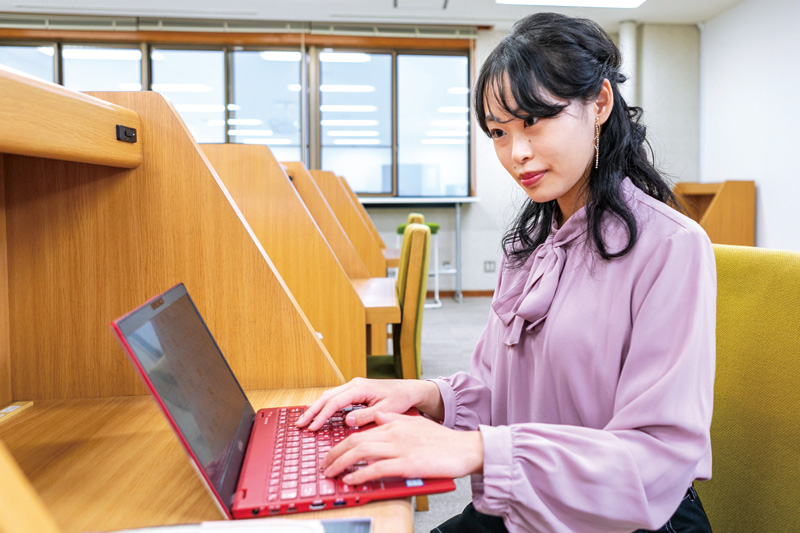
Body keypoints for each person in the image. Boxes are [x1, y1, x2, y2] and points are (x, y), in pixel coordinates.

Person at [296, 12, 716, 533]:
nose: (516, 153)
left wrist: (474, 449)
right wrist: (426, 395)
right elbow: (500, 391)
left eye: (534, 121)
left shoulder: (672, 247)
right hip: (532, 503)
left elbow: (655, 460)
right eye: (498, 132)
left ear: (600, 103)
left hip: (632, 519)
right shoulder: (528, 245)